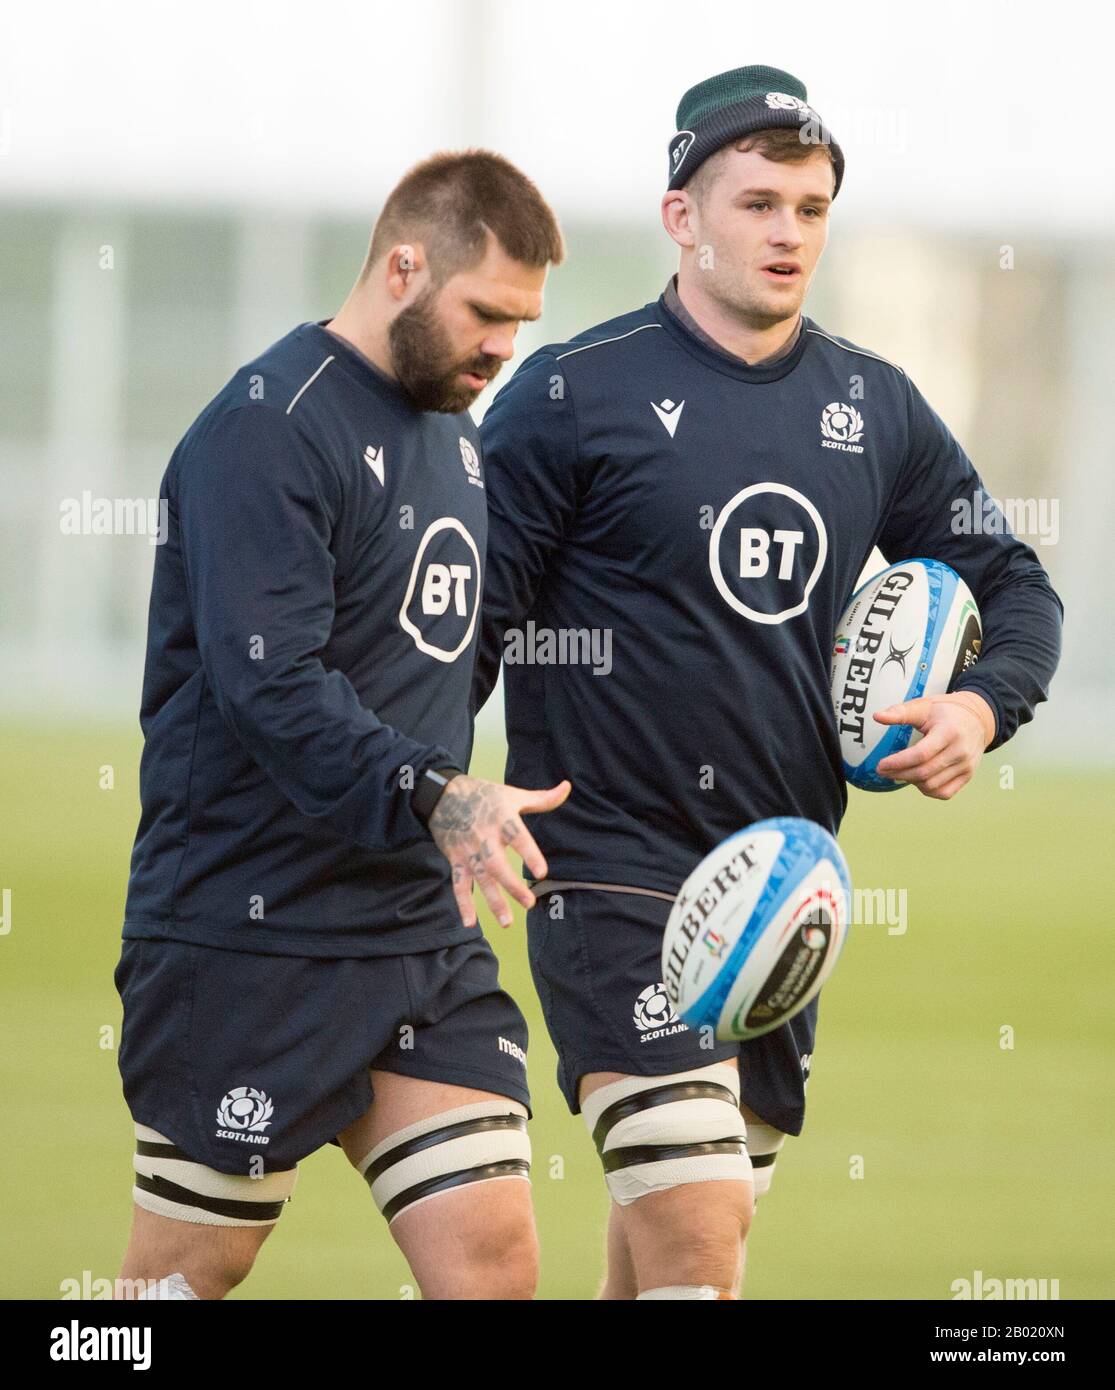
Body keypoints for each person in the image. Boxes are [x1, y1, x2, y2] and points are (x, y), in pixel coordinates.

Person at [473, 65, 1063, 1300]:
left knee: (671, 1263)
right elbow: (467, 627)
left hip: (784, 881)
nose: (786, 232)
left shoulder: (872, 405)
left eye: (808, 207)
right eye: (755, 203)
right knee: (699, 1237)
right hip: (609, 871)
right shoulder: (572, 395)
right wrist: (428, 792)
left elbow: (1012, 584)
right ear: (681, 216)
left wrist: (976, 702)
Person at [114, 149, 569, 1301]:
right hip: (248, 934)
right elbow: (273, 686)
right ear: (402, 267)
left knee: (494, 1267)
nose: (499, 349)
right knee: (168, 1295)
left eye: (520, 324)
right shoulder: (266, 429)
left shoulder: (455, 435)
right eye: (484, 314)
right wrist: (433, 792)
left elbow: (432, 666)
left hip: (413, 937)